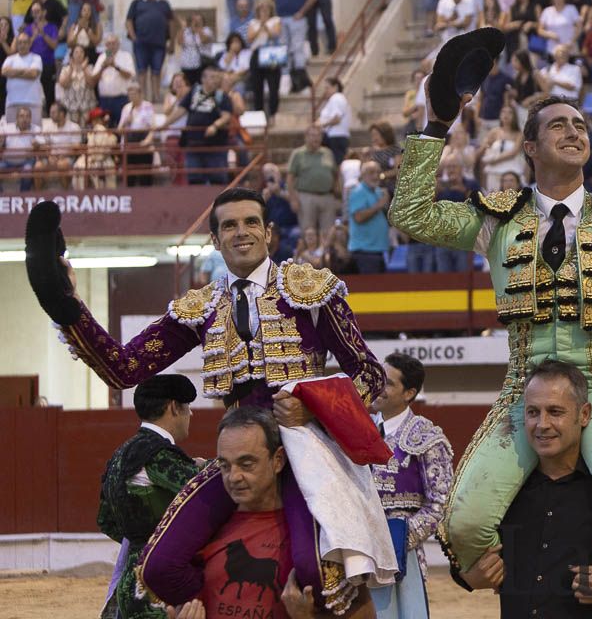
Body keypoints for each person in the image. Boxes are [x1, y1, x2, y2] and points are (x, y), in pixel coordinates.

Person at [389, 33, 592, 575]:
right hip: (526, 385)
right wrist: (437, 127)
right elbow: (411, 214)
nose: (574, 132)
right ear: (531, 148)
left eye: (581, 125)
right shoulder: (495, 217)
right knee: (465, 525)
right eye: (558, 125)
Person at [25, 185, 388, 611]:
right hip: (236, 453)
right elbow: (123, 368)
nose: (242, 232)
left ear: (269, 232)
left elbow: (371, 375)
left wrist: (313, 404)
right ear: (214, 240)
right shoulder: (201, 307)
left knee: (315, 572)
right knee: (159, 565)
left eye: (251, 222)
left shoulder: (309, 290)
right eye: (229, 225)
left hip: (305, 451)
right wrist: (66, 306)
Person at [454, 360, 592, 617]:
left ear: (584, 414)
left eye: (555, 412)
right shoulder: (502, 492)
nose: (542, 424)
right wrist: (470, 576)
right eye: (532, 412)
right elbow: (464, 567)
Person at [161, 407, 378, 618]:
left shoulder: (315, 536)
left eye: (247, 464)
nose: (233, 477)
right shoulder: (203, 533)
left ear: (278, 460)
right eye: (225, 466)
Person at [98, 375, 199, 619]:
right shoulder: (158, 454)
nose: (191, 415)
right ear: (174, 407)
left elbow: (106, 520)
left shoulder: (120, 454)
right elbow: (205, 492)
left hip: (130, 581)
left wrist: (139, 540)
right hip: (158, 581)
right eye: (187, 407)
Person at [370, 353, 453, 619]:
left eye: (389, 383)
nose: (379, 387)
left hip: (402, 549)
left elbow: (439, 502)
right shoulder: (363, 429)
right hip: (361, 545)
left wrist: (399, 538)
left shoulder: (427, 437)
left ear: (409, 393)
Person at [270, 0, 317, 95]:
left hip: (297, 18)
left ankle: (302, 84)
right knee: (283, 50)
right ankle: (286, 82)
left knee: (297, 49)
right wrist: (274, 15)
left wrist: (302, 12)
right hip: (281, 19)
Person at [125, 0, 174, 103]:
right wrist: (134, 37)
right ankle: (143, 97)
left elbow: (171, 22)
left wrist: (172, 41)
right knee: (141, 71)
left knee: (156, 71)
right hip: (141, 43)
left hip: (159, 43)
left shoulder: (164, 3)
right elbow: (129, 21)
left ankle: (156, 96)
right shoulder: (137, 3)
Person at [288, 124, 342, 237]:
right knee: (308, 233)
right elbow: (290, 178)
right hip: (306, 197)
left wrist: (336, 188)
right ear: (306, 137)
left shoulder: (328, 153)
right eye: (313, 135)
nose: (316, 138)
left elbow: (335, 173)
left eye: (318, 135)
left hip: (327, 197)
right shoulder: (298, 154)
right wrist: (293, 199)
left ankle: (326, 254)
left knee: (328, 233)